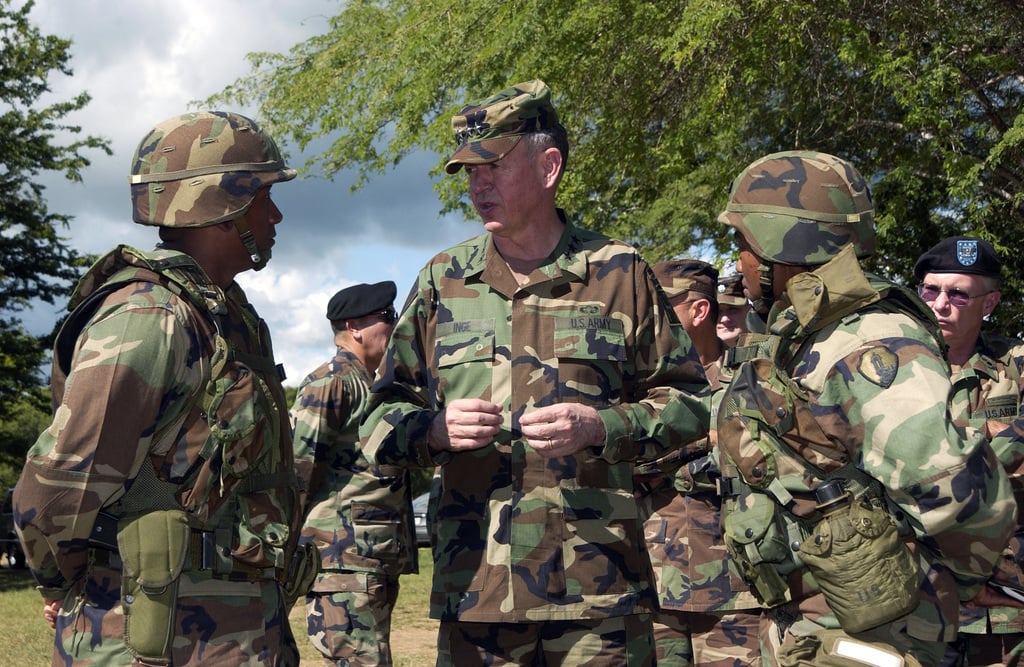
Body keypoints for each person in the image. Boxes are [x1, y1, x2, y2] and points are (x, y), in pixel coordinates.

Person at [358, 79, 711, 667]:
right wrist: (433, 431)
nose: (476, 184)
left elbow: (692, 404)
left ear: (549, 167)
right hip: (478, 597)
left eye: (491, 167)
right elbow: (379, 417)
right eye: (468, 171)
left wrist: (603, 427)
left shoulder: (618, 273)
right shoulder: (442, 280)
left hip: (598, 594)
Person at [12, 111, 315, 666]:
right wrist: (62, 586)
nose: (275, 214)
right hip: (154, 639)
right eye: (263, 195)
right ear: (223, 204)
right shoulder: (148, 317)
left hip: (237, 631)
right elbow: (55, 487)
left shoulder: (227, 317)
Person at [715, 150, 1016, 666]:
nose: (738, 258)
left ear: (779, 242)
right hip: (819, 628)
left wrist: (952, 586)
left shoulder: (864, 341)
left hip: (875, 639)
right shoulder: (805, 334)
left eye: (742, 242)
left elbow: (967, 496)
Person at [639, 259, 761, 666]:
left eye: (660, 306)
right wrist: (702, 443)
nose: (648, 318)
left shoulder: (752, 377)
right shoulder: (643, 385)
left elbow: (767, 457)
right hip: (655, 584)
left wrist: (671, 451)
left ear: (699, 310)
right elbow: (623, 456)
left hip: (736, 586)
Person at [291, 280, 419, 666]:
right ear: (354, 327)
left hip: (372, 561)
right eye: (387, 318)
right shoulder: (331, 383)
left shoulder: (377, 385)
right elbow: (297, 469)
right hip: (341, 564)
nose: (395, 327)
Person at [913, 236, 1024, 667]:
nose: (940, 304)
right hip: (915, 593)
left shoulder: (1014, 364)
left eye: (958, 293)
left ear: (989, 302)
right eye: (930, 290)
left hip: (1001, 598)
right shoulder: (896, 366)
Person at [716, 273, 750, 348]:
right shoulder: (696, 356)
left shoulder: (767, 350)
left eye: (733, 310)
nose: (724, 319)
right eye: (717, 312)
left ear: (748, 310)